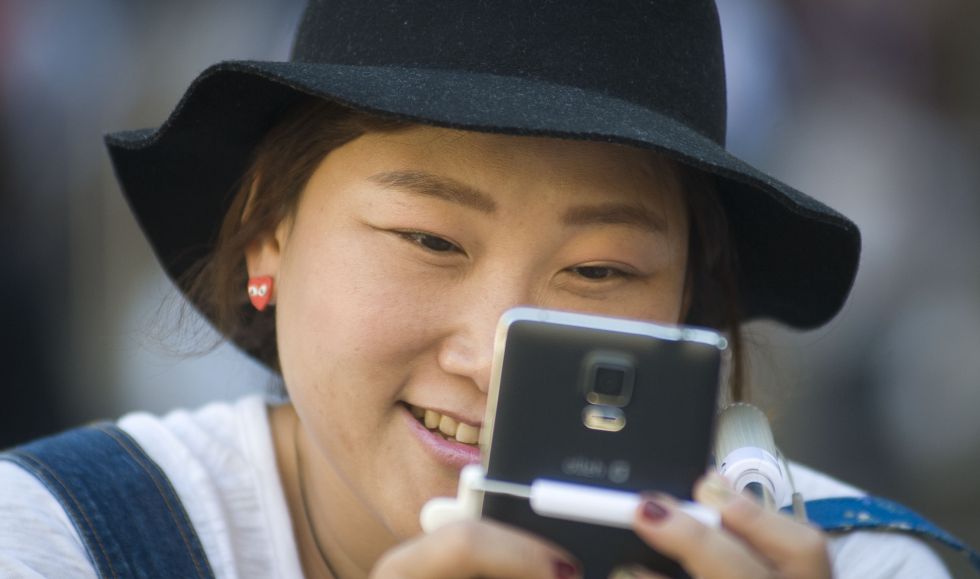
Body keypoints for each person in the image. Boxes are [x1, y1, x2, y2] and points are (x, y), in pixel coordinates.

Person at [0, 1, 958, 578]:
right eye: (428, 238)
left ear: (689, 309)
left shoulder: (861, 564)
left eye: (599, 270)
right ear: (267, 234)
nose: (492, 357)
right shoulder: (50, 539)